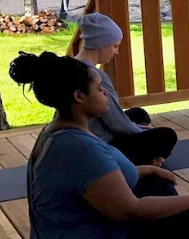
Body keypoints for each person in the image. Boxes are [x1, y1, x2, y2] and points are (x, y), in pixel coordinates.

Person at [9, 51, 189, 239]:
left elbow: (101, 181)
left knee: (157, 183)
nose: (106, 94)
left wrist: (149, 169)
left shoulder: (58, 130)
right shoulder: (78, 147)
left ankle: (184, 236)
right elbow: (130, 210)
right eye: (100, 89)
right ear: (79, 97)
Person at [74, 13, 178, 166]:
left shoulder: (72, 64)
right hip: (102, 146)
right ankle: (141, 161)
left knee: (138, 113)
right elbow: (115, 122)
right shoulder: (95, 76)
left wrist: (138, 127)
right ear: (101, 44)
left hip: (85, 134)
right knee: (168, 136)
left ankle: (147, 158)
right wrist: (143, 131)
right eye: (114, 46)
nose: (116, 52)